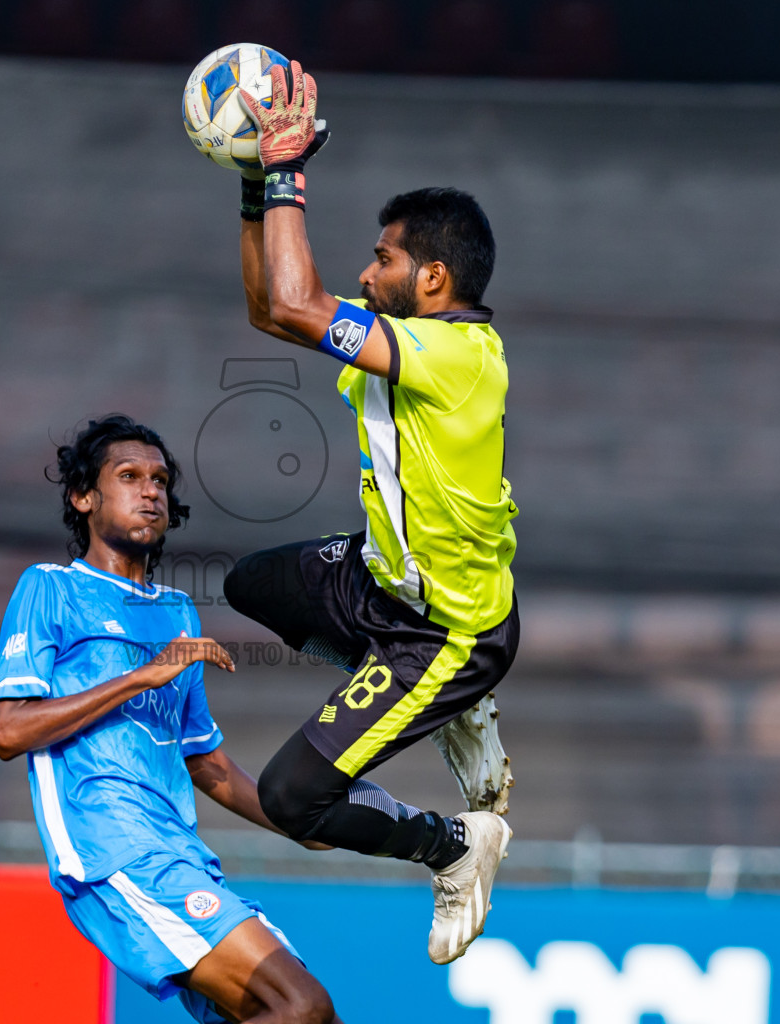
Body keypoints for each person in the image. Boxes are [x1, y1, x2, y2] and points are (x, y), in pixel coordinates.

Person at [222, 63, 520, 966]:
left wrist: (285, 176)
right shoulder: (409, 345)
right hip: (376, 583)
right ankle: (453, 718)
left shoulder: (460, 353)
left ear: (433, 276)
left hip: (442, 633)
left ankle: (454, 846)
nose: (366, 269)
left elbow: (297, 300)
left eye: (383, 257)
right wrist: (251, 183)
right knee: (249, 583)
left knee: (288, 798)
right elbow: (273, 313)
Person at [0, 414, 342, 1024]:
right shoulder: (49, 588)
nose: (150, 490)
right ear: (83, 497)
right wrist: (140, 676)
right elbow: (10, 730)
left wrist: (297, 822)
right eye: (128, 476)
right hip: (114, 850)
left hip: (179, 851)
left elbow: (205, 763)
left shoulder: (179, 613)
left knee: (314, 1021)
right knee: (300, 1004)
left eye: (159, 479)